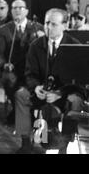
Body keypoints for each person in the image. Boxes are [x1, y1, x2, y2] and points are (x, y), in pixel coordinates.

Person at [14, 9, 82, 153]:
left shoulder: (74, 45)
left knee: (75, 101)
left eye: (53, 24)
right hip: (42, 91)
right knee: (20, 94)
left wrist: (60, 93)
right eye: (46, 23)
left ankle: (65, 143)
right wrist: (36, 87)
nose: (48, 27)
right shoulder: (35, 45)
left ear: (65, 25)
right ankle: (26, 142)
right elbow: (29, 73)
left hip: (64, 93)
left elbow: (79, 81)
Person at [0, 0, 44, 125]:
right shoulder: (4, 29)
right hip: (13, 69)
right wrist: (5, 64)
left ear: (27, 11)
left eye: (20, 7)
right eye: (14, 8)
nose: (17, 10)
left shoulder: (37, 27)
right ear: (11, 11)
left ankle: (21, 113)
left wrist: (42, 38)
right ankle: (21, 111)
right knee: (8, 78)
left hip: (32, 69)